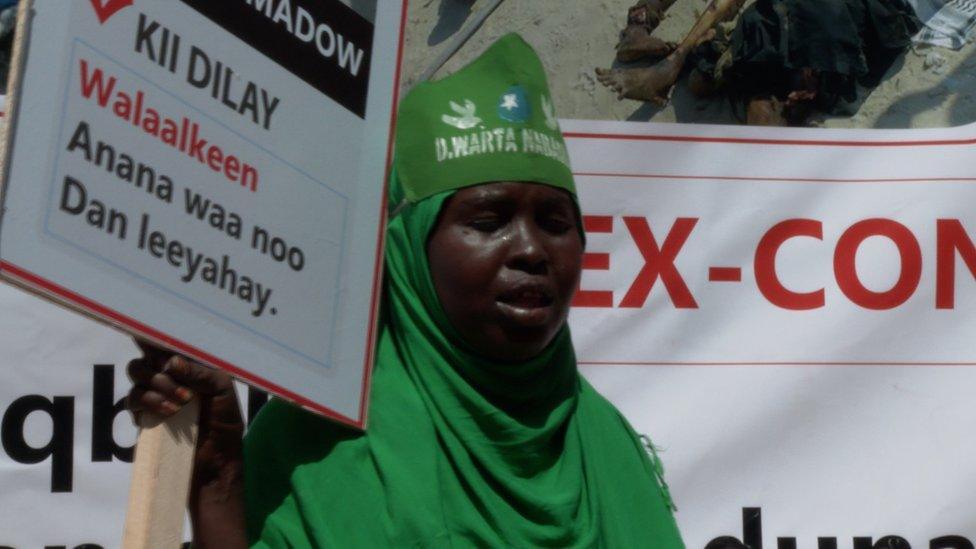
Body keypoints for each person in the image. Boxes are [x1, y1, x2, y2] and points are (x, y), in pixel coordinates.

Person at [128, 33, 685, 548]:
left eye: (555, 223)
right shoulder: (318, 443)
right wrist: (218, 476)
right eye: (490, 221)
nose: (531, 250)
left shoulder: (604, 446)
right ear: (412, 250)